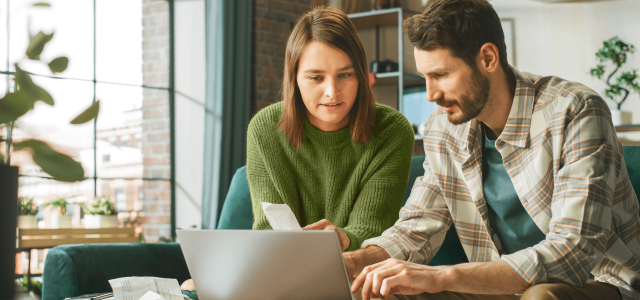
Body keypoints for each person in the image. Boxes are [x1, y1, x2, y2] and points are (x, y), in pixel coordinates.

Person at [345, 1, 640, 300]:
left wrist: (443, 275)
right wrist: (352, 262)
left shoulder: (575, 110)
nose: (431, 94)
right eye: (425, 78)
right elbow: (417, 227)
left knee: (541, 297)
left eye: (442, 75)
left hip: (599, 283)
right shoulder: (443, 128)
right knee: (372, 289)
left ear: (487, 57)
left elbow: (572, 252)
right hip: (497, 288)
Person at [246, 6, 415, 252]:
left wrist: (344, 238)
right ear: (294, 79)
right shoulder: (265, 129)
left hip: (358, 273)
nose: (332, 92)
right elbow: (269, 231)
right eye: (316, 78)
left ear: (361, 75)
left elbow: (372, 231)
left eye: (345, 75)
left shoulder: (392, 130)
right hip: (284, 268)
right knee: (191, 286)